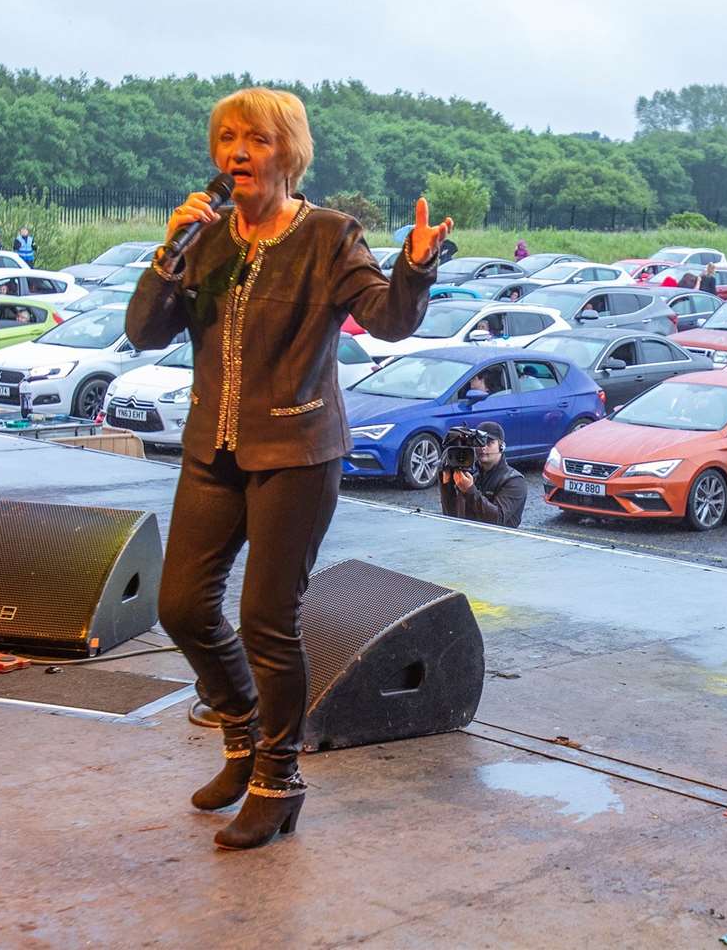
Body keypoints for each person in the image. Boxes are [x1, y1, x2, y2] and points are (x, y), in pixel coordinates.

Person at [126, 86, 449, 851]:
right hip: (214, 446)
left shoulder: (330, 236)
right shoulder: (204, 237)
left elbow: (390, 319)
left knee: (266, 620)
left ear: (289, 153)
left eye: (257, 140)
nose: (236, 153)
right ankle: (241, 733)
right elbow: (142, 332)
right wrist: (168, 255)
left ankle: (278, 778)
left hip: (298, 453)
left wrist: (414, 266)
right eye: (227, 138)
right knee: (180, 606)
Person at [439, 420, 526, 528]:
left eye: (489, 442)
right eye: (479, 442)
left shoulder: (514, 481)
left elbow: (497, 520)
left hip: (501, 542)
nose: (483, 447)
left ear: (501, 447)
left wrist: (469, 491)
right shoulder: (471, 476)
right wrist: (446, 483)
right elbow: (453, 516)